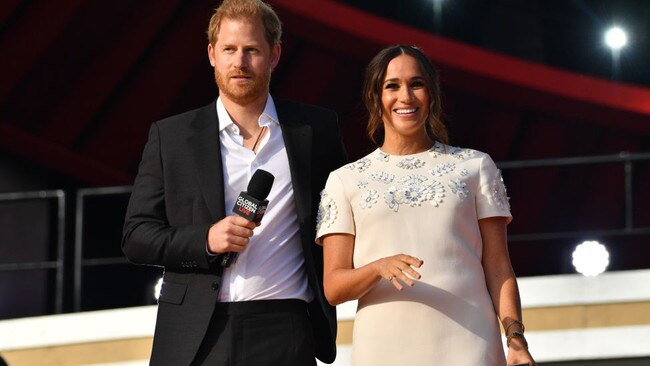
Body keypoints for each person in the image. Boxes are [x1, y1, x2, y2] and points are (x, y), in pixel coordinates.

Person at [121, 1, 347, 365]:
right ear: (212, 54)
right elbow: (136, 237)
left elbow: (347, 214)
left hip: (287, 326)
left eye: (251, 50)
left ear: (273, 55)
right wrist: (206, 240)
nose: (239, 62)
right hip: (198, 332)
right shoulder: (172, 136)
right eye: (229, 49)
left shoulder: (315, 130)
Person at [316, 45, 536, 365]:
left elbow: (499, 267)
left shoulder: (475, 166)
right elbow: (334, 288)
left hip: (471, 343)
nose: (405, 96)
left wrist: (515, 339)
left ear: (431, 94)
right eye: (392, 86)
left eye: (416, 84)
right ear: (375, 98)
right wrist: (378, 267)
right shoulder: (344, 181)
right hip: (383, 347)